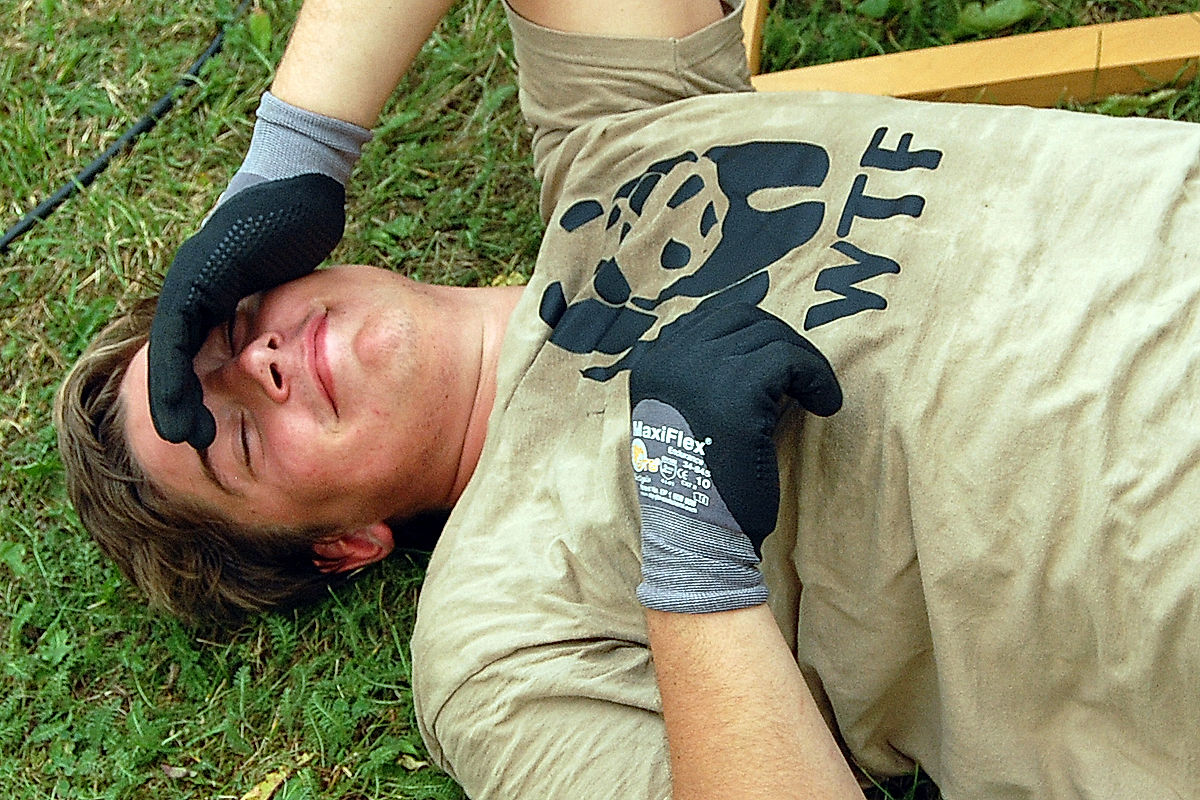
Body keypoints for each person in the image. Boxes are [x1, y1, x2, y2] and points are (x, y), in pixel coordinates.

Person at [56, 0, 1200, 798]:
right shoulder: (492, 639)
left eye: (228, 326)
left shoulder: (612, 133)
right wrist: (693, 529)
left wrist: (289, 159)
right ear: (347, 544)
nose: (256, 365)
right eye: (237, 436)